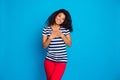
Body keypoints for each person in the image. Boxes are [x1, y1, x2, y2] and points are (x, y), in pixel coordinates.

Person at [42, 9, 73, 80]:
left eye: (63, 19)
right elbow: (44, 46)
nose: (60, 19)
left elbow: (69, 44)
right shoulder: (46, 29)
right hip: (49, 60)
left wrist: (62, 35)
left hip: (61, 61)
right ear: (55, 15)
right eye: (59, 16)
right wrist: (50, 37)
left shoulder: (65, 30)